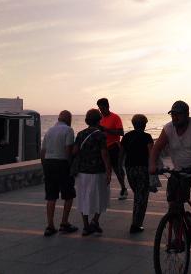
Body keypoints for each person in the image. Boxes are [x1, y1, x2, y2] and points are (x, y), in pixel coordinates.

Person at [149, 100, 191, 237]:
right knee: (173, 204)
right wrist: (152, 165)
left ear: (187, 114)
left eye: (178, 115)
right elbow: (156, 148)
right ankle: (178, 238)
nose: (174, 118)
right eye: (172, 115)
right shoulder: (168, 128)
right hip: (181, 170)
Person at [73, 108, 111, 236]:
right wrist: (109, 170)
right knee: (101, 196)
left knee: (84, 198)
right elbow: (104, 154)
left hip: (82, 172)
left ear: (86, 121)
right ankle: (95, 221)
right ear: (99, 120)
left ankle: (86, 226)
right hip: (97, 172)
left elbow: (74, 151)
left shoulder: (80, 134)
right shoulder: (100, 135)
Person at [40, 110, 78, 236]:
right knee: (69, 195)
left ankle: (50, 226)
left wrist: (45, 166)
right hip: (62, 164)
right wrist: (70, 166)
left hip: (49, 164)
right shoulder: (68, 130)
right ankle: (64, 223)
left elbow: (43, 151)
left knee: (51, 196)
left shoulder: (49, 131)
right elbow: (68, 150)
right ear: (68, 119)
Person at [119, 114, 153, 234]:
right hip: (143, 169)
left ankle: (136, 223)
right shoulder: (147, 137)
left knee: (138, 195)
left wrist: (119, 167)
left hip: (130, 169)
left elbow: (121, 153)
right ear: (144, 124)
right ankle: (136, 225)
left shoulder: (127, 136)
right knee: (141, 197)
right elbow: (151, 153)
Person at [96, 98, 127, 200]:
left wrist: (106, 130)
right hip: (102, 148)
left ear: (108, 106)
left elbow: (121, 132)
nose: (101, 111)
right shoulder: (99, 119)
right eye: (99, 109)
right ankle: (103, 192)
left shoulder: (115, 117)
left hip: (114, 146)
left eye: (103, 108)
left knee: (117, 169)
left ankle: (123, 188)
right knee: (103, 170)